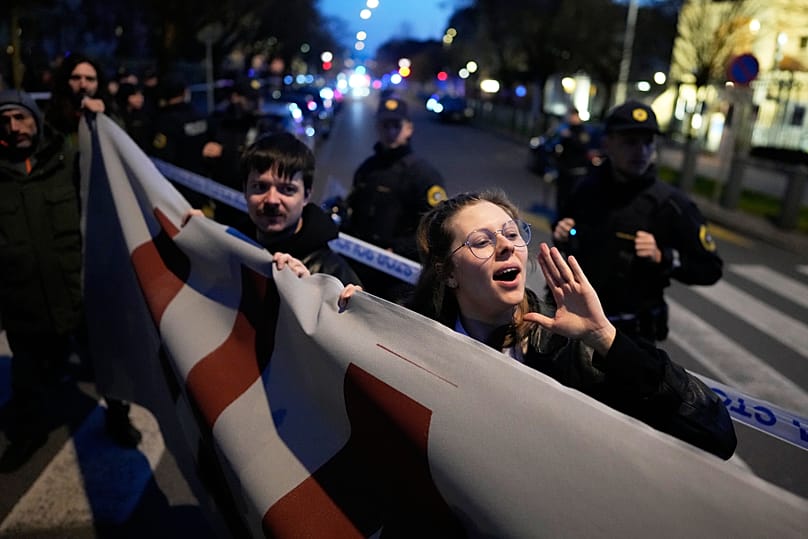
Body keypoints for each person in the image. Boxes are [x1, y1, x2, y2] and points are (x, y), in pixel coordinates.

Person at [339, 190, 736, 460]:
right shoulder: (412, 334)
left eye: (512, 233)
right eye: (481, 241)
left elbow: (715, 433)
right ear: (448, 274)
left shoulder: (571, 347)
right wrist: (348, 318)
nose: (506, 245)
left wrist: (609, 341)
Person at [0, 90, 139, 471]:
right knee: (27, 377)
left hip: (77, 293)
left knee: (105, 363)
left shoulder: (66, 161)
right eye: (5, 120)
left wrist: (106, 120)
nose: (14, 128)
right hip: (22, 300)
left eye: (21, 117)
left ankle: (118, 417)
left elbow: (115, 162)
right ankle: (29, 433)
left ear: (36, 119)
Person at [552, 101, 723, 342]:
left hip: (631, 339)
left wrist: (662, 257)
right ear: (608, 143)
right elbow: (564, 230)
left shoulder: (671, 204)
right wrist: (562, 231)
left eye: (648, 143)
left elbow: (710, 268)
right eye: (630, 142)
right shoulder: (586, 188)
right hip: (576, 329)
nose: (641, 151)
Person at [186, 132, 360, 285]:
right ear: (245, 190)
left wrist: (313, 295)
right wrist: (195, 242)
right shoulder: (229, 248)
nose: (272, 200)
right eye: (260, 187)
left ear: (306, 196)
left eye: (287, 190)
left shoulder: (333, 274)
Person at [340, 95, 447, 301]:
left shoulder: (423, 174)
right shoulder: (368, 168)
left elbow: (436, 229)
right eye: (385, 125)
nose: (390, 131)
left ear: (408, 129)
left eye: (396, 125)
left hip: (399, 277)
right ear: (377, 127)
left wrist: (397, 248)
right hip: (361, 268)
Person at [551, 108, 598, 216]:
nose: (569, 119)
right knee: (561, 197)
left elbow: (583, 146)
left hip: (577, 171)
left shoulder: (582, 131)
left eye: (571, 116)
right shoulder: (567, 129)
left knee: (572, 197)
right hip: (564, 169)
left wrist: (570, 137)